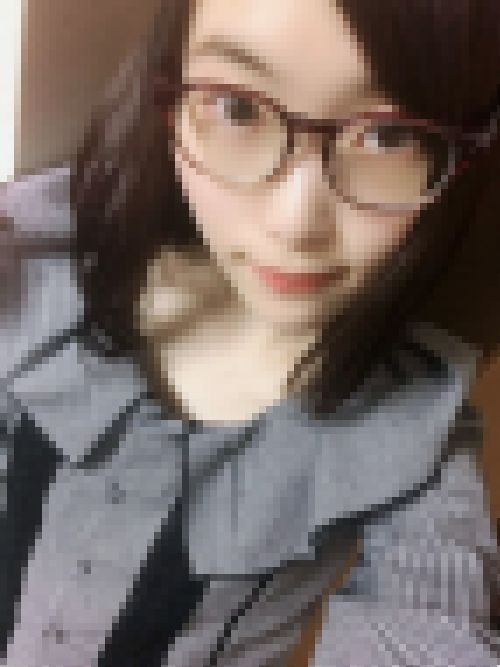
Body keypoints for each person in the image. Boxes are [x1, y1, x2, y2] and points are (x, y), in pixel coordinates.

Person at [1, 0, 500, 665]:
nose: (296, 224)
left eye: (388, 136)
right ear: (165, 91)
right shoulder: (33, 266)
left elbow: (429, 628)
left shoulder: (417, 430)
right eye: (238, 108)